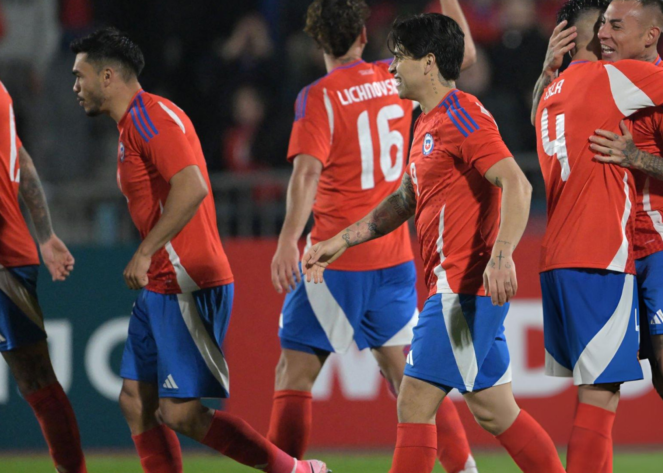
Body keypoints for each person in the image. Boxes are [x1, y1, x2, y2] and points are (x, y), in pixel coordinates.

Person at [303, 13, 566, 473]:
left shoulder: (461, 115)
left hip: (463, 293)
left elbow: (517, 184)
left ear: (427, 64)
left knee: (414, 402)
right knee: (494, 410)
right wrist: (341, 239)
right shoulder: (428, 121)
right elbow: (406, 198)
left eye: (400, 58)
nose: (391, 68)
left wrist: (502, 256)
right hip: (464, 292)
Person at [70, 28, 328, 473]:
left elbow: (192, 187)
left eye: (81, 76)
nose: (75, 86)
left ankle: (298, 471)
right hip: (161, 282)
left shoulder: (151, 119)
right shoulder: (133, 125)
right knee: (135, 401)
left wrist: (146, 249)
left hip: (186, 278)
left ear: (108, 76)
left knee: (181, 413)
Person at [269, 1, 478, 472]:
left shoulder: (318, 95)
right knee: (410, 378)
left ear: (317, 42)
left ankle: (286, 470)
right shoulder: (395, 75)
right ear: (364, 35)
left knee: (295, 375)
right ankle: (465, 469)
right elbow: (461, 58)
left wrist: (287, 239)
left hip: (334, 259)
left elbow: (306, 174)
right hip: (392, 257)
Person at [532, 0, 663, 471]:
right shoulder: (599, 79)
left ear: (648, 36)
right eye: (602, 25)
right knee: (611, 383)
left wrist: (637, 158)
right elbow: (550, 115)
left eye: (615, 27)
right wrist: (548, 70)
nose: (604, 34)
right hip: (614, 244)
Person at [0, 82, 86, 472]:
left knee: (34, 376)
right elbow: (22, 158)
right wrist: (46, 235)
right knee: (35, 378)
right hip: (13, 251)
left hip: (5, 258)